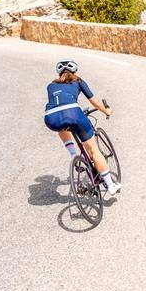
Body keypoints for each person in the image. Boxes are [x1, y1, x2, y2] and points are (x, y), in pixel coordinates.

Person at [44, 60, 121, 195]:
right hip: (74, 113)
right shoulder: (78, 81)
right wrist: (106, 111)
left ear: (59, 73)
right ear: (75, 72)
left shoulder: (51, 85)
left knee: (62, 126)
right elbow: (94, 101)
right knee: (93, 151)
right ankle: (110, 185)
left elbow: (60, 105)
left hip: (51, 118)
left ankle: (74, 156)